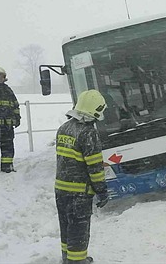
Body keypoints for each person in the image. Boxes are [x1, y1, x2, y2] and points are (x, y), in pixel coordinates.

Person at [55, 90, 109, 264]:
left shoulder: (64, 128)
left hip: (61, 190)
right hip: (79, 193)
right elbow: (95, 167)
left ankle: (67, 258)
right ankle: (77, 261)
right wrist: (102, 191)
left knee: (66, 226)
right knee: (79, 228)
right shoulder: (88, 133)